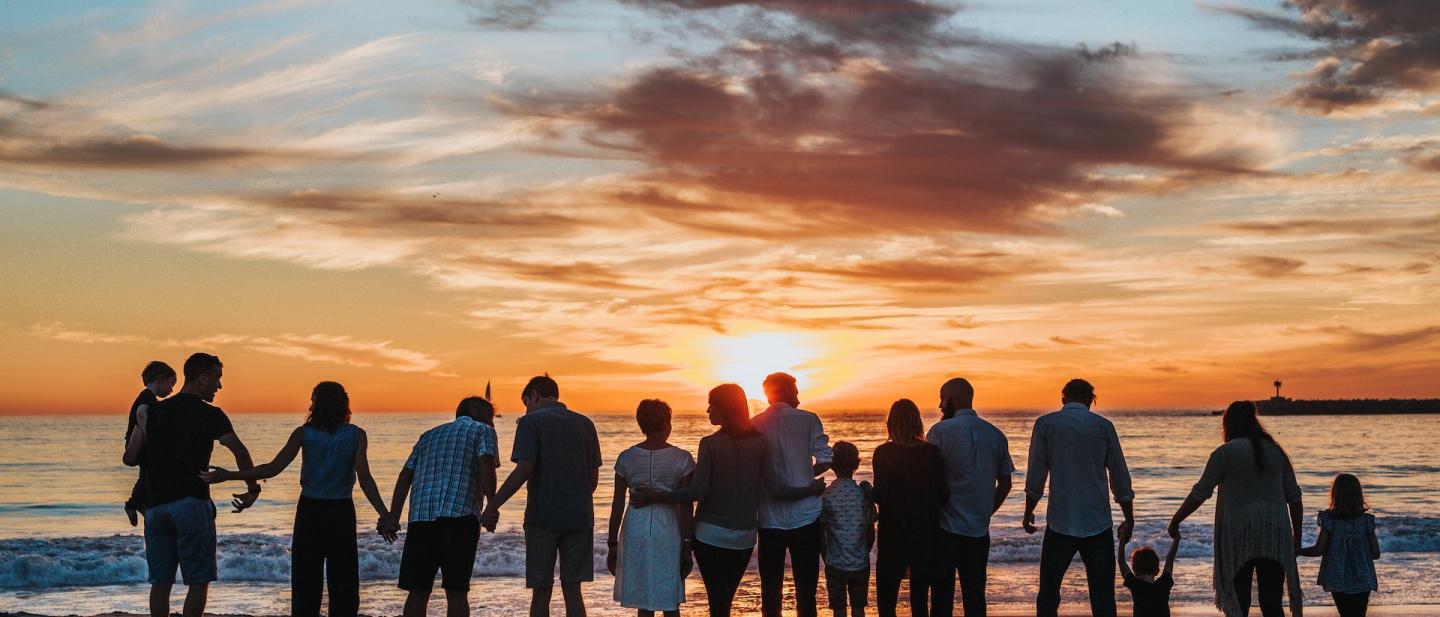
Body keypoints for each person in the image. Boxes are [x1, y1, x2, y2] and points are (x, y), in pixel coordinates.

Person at [199, 382, 392, 617]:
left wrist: (229, 475)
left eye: (313, 400)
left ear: (317, 404)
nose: (310, 404)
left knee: (305, 581)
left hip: (310, 512)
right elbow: (365, 479)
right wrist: (385, 513)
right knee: (344, 582)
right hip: (341, 511)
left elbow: (272, 469)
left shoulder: (304, 433)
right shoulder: (356, 435)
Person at [633, 383, 818, 617]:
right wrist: (809, 489)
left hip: (710, 536)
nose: (708, 411)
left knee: (718, 606)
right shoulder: (759, 442)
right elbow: (777, 490)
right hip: (743, 538)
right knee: (725, 602)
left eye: (712, 405)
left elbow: (695, 493)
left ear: (725, 408)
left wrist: (655, 495)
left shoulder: (709, 444)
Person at [121, 353, 261, 617]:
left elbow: (133, 456)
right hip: (191, 504)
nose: (219, 386)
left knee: (160, 583)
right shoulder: (210, 414)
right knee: (198, 581)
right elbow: (240, 453)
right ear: (202, 378)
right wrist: (252, 489)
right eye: (217, 379)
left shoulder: (154, 410)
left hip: (156, 508)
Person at [1168, 401, 1304, 617]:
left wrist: (1176, 520)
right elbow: (1294, 499)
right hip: (1275, 533)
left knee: (1239, 602)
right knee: (1271, 602)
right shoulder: (1276, 453)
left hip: (1238, 535)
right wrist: (1296, 538)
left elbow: (1200, 492)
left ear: (1228, 424)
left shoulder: (1224, 453)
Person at [480, 376, 602, 617]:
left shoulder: (530, 423)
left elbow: (524, 469)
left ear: (534, 395)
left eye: (526, 402)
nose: (526, 409)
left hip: (542, 517)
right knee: (573, 590)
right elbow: (593, 480)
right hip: (580, 517)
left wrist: (492, 505)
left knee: (541, 591)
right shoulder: (585, 424)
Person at [1024, 378, 1134, 617]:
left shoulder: (1045, 424)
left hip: (1060, 522)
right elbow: (1120, 476)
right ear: (1090, 400)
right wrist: (1129, 517)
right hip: (1097, 523)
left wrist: (1028, 510)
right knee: (1103, 596)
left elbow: (1036, 474)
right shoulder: (1104, 426)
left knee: (1049, 594)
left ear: (1063, 400)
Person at [384, 396, 499, 617]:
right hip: (460, 517)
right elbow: (486, 464)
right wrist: (492, 506)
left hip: (421, 519)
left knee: (417, 591)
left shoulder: (428, 436)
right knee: (456, 591)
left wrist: (393, 516)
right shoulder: (482, 431)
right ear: (475, 410)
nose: (492, 423)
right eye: (490, 417)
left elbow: (405, 475)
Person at [926, 377, 1014, 617]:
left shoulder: (939, 432)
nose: (940, 405)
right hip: (978, 530)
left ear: (953, 400)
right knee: (975, 598)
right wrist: (987, 510)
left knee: (941, 599)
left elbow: (928, 480)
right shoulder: (995, 435)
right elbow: (1005, 483)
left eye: (942, 398)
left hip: (945, 530)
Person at [752, 372, 834, 617]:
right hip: (806, 516)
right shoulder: (808, 420)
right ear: (786, 392)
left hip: (769, 518)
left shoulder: (754, 424)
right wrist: (804, 474)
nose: (798, 396)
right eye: (796, 391)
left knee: (770, 590)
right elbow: (826, 458)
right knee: (806, 590)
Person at [606, 399, 695, 617]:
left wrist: (612, 543)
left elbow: (617, 505)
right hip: (668, 527)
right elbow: (686, 505)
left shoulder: (626, 458)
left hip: (636, 526)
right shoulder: (682, 458)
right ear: (666, 423)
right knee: (670, 598)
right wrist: (687, 544)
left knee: (643, 600)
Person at [872, 399, 949, 617]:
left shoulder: (883, 453)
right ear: (917, 422)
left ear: (890, 423)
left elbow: (882, 496)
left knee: (887, 601)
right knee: (919, 600)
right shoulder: (931, 453)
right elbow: (943, 497)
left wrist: (868, 491)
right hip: (925, 533)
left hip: (892, 533)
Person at [1299, 474, 1379, 617]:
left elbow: (1319, 550)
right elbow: (1376, 554)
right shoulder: (1366, 521)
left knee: (1345, 613)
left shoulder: (1329, 520)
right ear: (1358, 495)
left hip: (1337, 576)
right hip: (1362, 577)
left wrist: (1297, 551)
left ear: (1334, 494)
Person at [820, 441, 873, 617]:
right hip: (860, 562)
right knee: (858, 607)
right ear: (857, 464)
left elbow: (822, 533)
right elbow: (870, 530)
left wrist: (826, 555)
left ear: (832, 465)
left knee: (839, 608)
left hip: (835, 563)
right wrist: (865, 551)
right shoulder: (863, 495)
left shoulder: (826, 495)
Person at [124, 360, 177, 526]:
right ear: (161, 380)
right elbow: (141, 413)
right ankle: (133, 504)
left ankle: (136, 503)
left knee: (146, 473)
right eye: (171, 384)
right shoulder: (148, 397)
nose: (171, 389)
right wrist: (151, 435)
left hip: (138, 442)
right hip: (138, 443)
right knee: (147, 473)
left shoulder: (146, 396)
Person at [1118, 526, 1179, 617]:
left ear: (1135, 571)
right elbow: (1170, 559)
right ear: (1157, 571)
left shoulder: (1136, 585)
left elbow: (1121, 561)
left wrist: (1122, 538)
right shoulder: (1164, 584)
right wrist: (1177, 538)